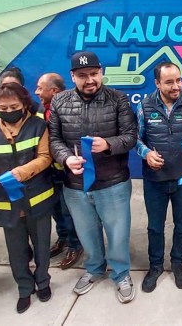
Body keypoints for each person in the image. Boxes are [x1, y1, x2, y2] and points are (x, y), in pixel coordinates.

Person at [49, 51, 137, 304]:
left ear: (101, 72)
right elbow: (54, 139)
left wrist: (108, 144)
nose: (89, 80)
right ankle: (95, 268)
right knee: (86, 233)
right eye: (82, 75)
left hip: (113, 183)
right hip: (75, 185)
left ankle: (121, 273)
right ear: (72, 76)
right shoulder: (59, 102)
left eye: (94, 74)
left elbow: (131, 136)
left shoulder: (118, 99)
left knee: (118, 233)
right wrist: (66, 158)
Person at [0, 83, 55, 314]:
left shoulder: (38, 126)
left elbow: (45, 157)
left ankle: (43, 282)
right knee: (16, 250)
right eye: (3, 108)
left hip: (37, 197)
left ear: (24, 104)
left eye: (14, 107)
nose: (9, 111)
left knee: (42, 246)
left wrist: (22, 172)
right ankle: (24, 288)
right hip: (5, 202)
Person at [136, 62, 182, 292]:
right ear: (157, 83)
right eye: (169, 82)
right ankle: (155, 266)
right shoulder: (144, 106)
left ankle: (178, 263)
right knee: (155, 227)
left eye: (179, 80)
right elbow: (135, 139)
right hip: (155, 179)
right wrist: (146, 153)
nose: (176, 86)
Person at [35, 73, 83, 269]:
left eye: (40, 88)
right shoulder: (40, 111)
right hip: (48, 172)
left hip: (67, 172)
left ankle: (75, 245)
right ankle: (62, 238)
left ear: (54, 91)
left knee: (67, 210)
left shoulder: (71, 108)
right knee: (55, 209)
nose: (36, 92)